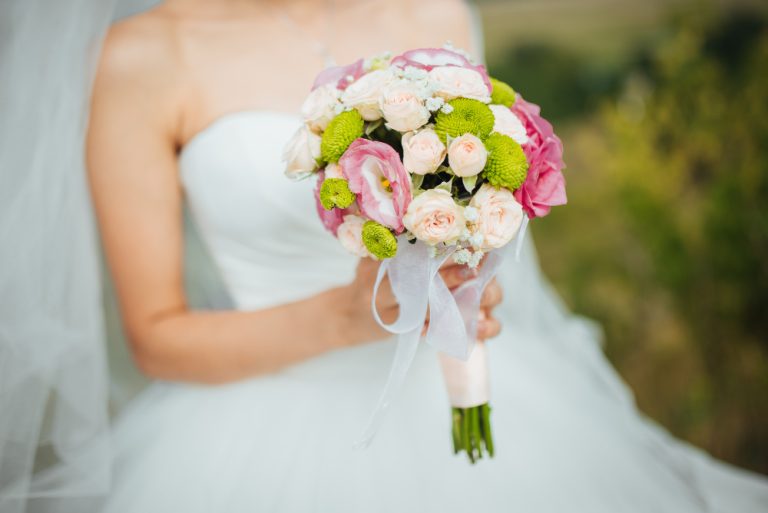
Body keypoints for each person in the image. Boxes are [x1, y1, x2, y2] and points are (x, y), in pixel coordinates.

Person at [3, 1, 768, 512]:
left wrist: (469, 282)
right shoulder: (144, 53)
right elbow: (155, 334)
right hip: (251, 430)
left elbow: (487, 207)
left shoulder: (436, 10)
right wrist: (352, 313)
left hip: (468, 403)